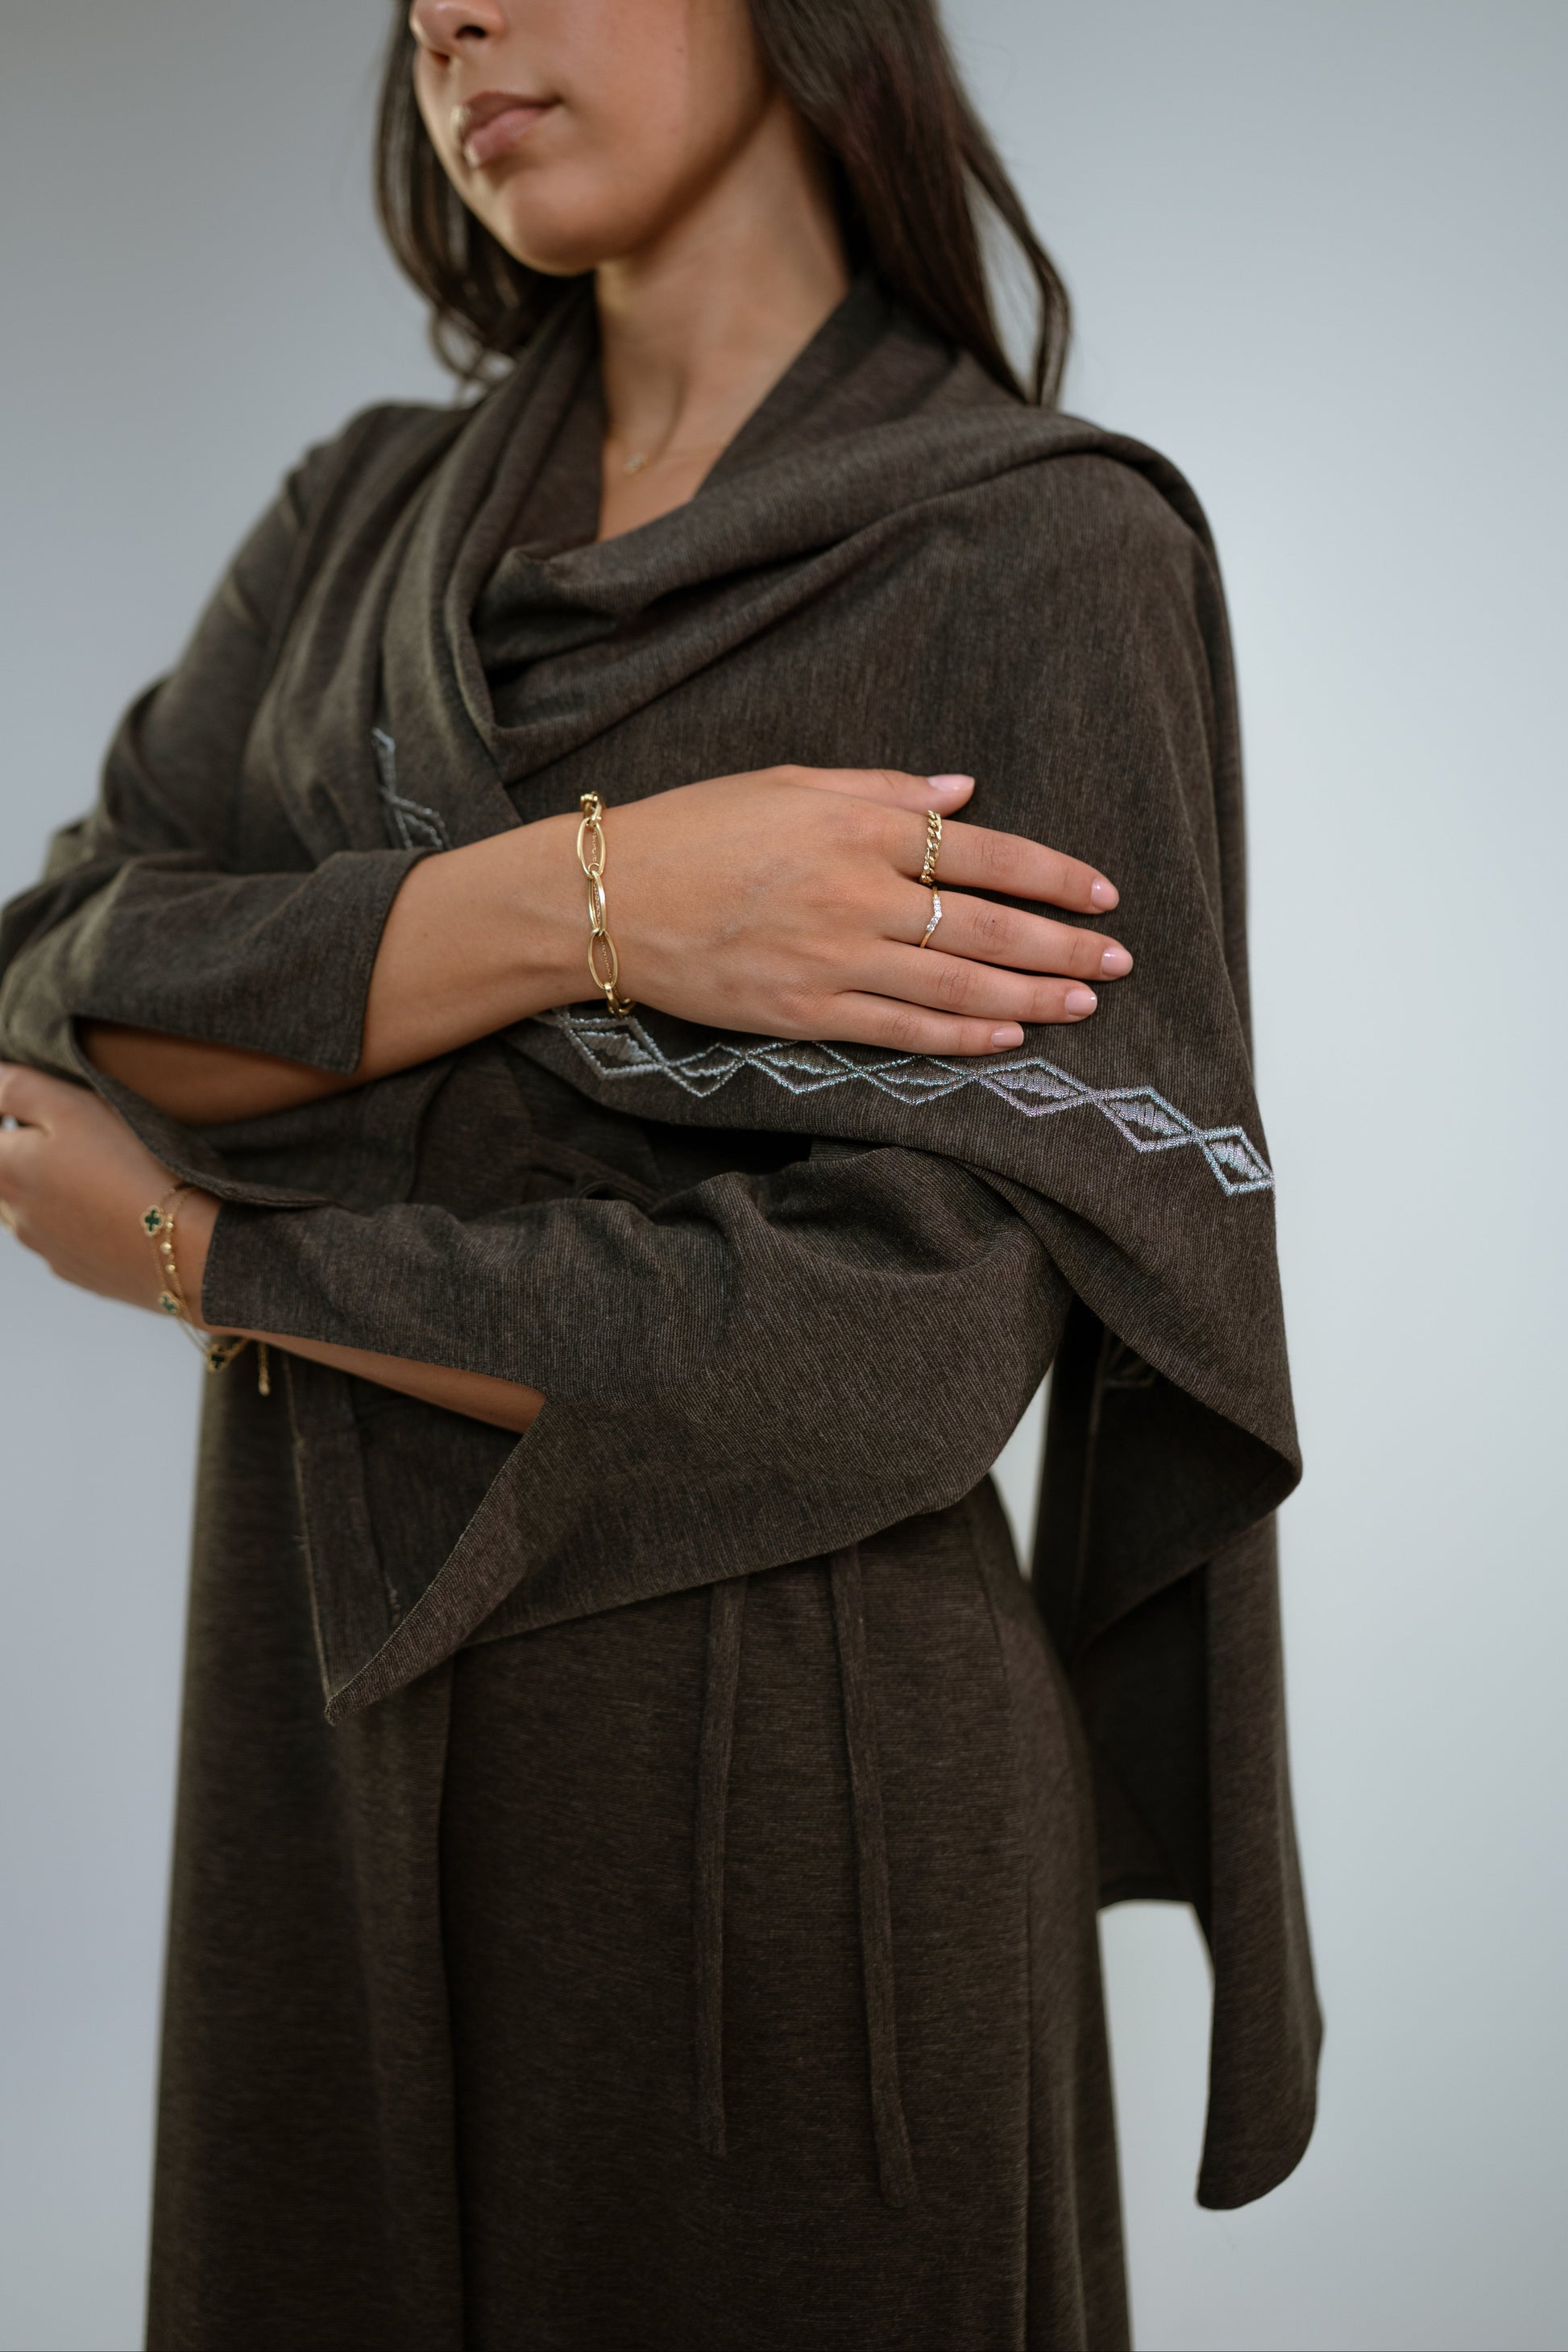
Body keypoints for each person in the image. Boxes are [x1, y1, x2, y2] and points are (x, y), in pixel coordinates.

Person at [0, 2, 1319, 2346]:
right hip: (318, 1754)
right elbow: (52, 988)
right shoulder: (355, 523)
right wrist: (593, 902)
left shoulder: (1039, 554)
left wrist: (219, 1247)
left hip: (778, 1812)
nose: (447, 22)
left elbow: (903, 1342)